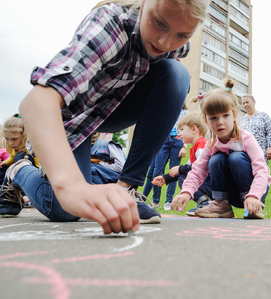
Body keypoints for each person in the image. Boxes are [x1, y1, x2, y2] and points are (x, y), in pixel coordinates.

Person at [0, 0, 209, 234]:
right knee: (64, 210)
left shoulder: (178, 44)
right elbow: (35, 103)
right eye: (159, 23)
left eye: (181, 34)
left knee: (177, 74)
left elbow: (166, 85)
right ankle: (18, 171)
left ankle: (126, 188)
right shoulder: (110, 26)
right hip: (72, 118)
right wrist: (71, 186)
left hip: (110, 111)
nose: (165, 42)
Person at [171, 78, 271, 219]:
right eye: (213, 118)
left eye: (225, 115)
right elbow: (197, 170)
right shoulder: (211, 144)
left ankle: (252, 207)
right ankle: (221, 204)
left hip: (254, 193)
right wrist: (186, 192)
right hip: (232, 194)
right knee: (216, 159)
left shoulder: (246, 138)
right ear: (206, 120)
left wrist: (255, 195)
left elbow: (261, 170)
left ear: (235, 115)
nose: (220, 122)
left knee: (236, 157)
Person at [152, 110, 212, 216]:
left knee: (183, 179)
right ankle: (205, 203)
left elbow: (203, 166)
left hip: (210, 184)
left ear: (193, 129)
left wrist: (181, 169)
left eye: (182, 129)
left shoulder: (202, 144)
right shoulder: (194, 148)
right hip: (207, 184)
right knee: (183, 176)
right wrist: (166, 178)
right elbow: (187, 170)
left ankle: (206, 203)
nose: (179, 134)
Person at [142, 105, 188, 211]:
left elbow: (187, 129)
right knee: (157, 171)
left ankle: (168, 201)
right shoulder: (166, 108)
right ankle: (156, 201)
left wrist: (184, 146)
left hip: (178, 141)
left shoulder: (185, 113)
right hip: (163, 141)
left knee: (173, 171)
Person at [0, 114, 40, 212]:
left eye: (14, 139)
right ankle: (6, 196)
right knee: (2, 171)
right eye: (7, 139)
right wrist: (4, 164)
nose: (10, 143)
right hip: (20, 174)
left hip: (33, 177)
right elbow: (12, 159)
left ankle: (26, 197)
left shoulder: (34, 149)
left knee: (22, 158)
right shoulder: (17, 149)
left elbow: (40, 168)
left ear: (25, 136)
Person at [240, 95, 271, 163]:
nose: (245, 104)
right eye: (243, 103)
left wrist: (270, 147)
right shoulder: (241, 120)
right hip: (245, 152)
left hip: (260, 151)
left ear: (254, 102)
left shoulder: (263, 115)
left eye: (247, 102)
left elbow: (270, 131)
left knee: (260, 172)